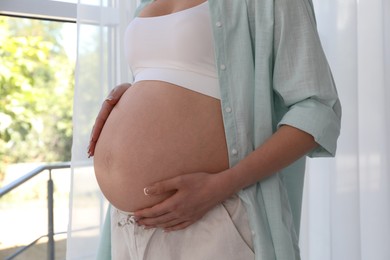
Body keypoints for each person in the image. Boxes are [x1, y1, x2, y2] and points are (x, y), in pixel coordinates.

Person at [88, 0, 341, 259]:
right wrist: (134, 91)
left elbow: (317, 109)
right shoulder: (144, 3)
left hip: (213, 213)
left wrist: (221, 186)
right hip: (130, 226)